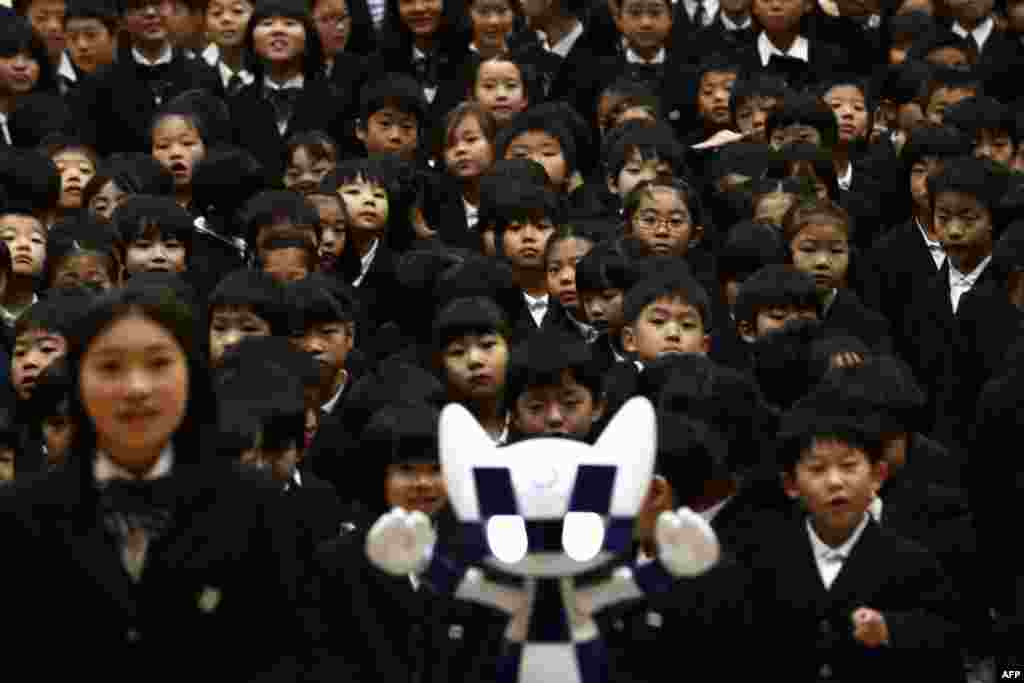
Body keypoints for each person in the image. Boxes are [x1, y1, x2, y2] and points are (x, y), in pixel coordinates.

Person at [0, 285, 306, 681]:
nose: (136, 388)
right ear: (77, 380)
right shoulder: (19, 514)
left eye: (159, 364)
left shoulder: (258, 507)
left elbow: (287, 655)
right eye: (110, 367)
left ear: (192, 375)